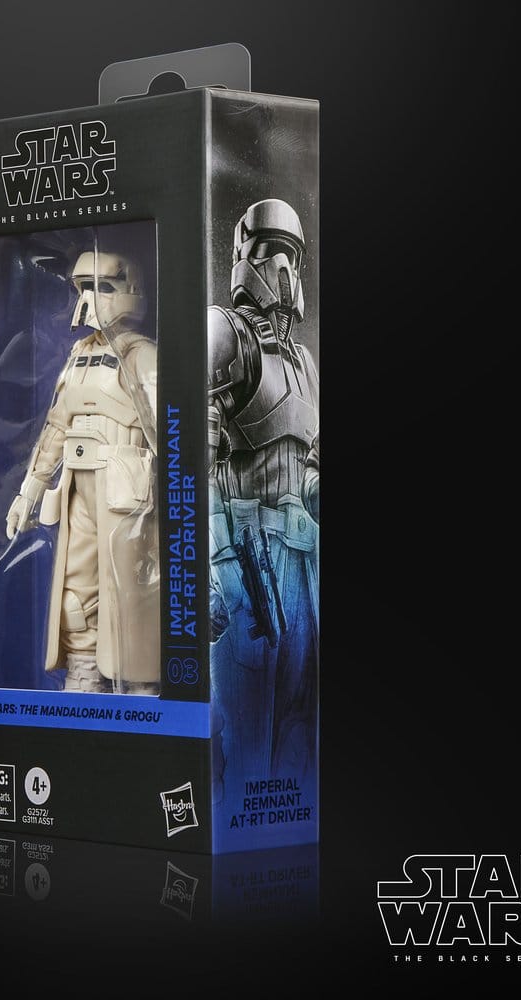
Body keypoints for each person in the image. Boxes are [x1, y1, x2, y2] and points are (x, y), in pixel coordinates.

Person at [6, 250, 159, 694]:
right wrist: (29, 491)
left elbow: (171, 434)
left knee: (133, 596)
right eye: (84, 287)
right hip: (78, 492)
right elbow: (56, 426)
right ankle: (84, 677)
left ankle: (140, 690)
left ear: (131, 290)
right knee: (75, 596)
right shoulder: (78, 356)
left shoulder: (143, 356)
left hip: (130, 497)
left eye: (103, 287)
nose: (91, 297)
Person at [208, 198, 319, 773]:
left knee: (301, 732)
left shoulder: (305, 363)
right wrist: (218, 565)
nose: (284, 269)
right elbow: (190, 464)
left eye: (293, 256)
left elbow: (311, 468)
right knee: (247, 738)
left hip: (305, 562)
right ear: (245, 256)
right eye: (273, 251)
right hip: (247, 562)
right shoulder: (225, 334)